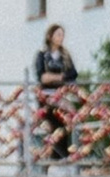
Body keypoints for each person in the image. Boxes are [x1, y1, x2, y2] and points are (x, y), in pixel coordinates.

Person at [31, 22, 78, 164]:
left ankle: (63, 156)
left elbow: (72, 74)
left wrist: (55, 78)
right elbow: (42, 76)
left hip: (61, 94)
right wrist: (59, 77)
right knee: (51, 123)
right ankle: (52, 157)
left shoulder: (65, 55)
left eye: (62, 35)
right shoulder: (42, 55)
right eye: (58, 34)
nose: (61, 38)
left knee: (65, 123)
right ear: (50, 36)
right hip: (47, 96)